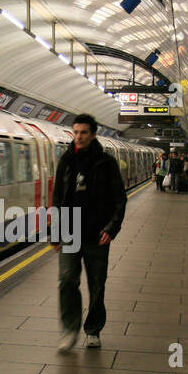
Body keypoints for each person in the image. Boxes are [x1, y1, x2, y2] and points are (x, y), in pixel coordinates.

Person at [52, 114, 126, 351]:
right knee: (66, 281)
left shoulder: (106, 163)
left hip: (97, 234)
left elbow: (119, 200)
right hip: (69, 232)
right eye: (75, 132)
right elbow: (57, 198)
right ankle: (69, 330)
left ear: (93, 134)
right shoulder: (66, 161)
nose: (78, 137)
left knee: (97, 285)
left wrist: (111, 228)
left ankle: (93, 330)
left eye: (83, 132)